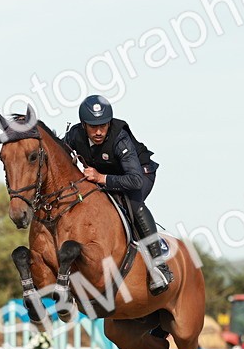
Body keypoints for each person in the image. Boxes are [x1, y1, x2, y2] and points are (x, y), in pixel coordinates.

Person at [65, 95, 173, 295]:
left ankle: (159, 266)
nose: (98, 132)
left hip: (139, 174)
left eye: (103, 126)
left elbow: (135, 180)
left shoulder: (119, 138)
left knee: (131, 204)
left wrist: (101, 178)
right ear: (83, 125)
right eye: (93, 127)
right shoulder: (74, 135)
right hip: (105, 177)